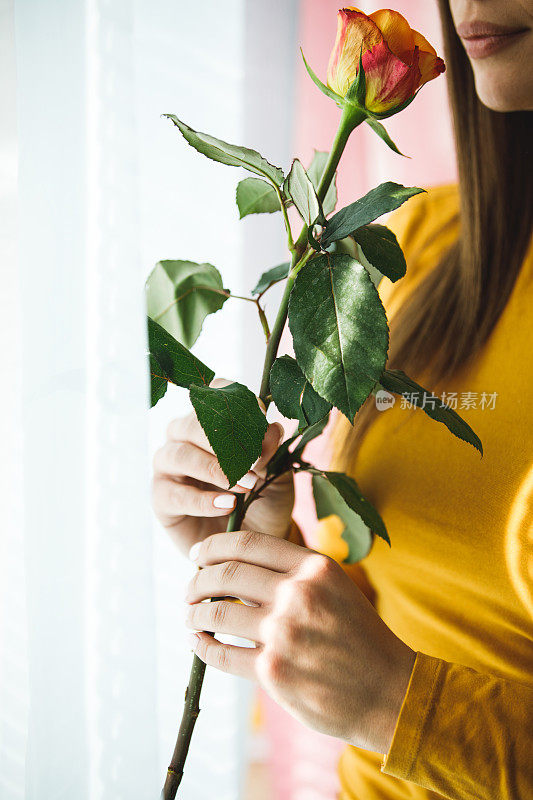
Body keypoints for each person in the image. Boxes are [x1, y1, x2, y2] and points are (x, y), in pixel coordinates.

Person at [151, 1, 533, 798]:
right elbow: (389, 606)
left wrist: (399, 705)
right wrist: (265, 547)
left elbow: (390, 688)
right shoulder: (426, 243)